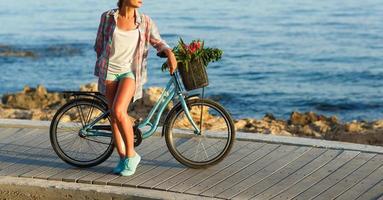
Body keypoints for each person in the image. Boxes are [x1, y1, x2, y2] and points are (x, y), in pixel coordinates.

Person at [93, 0, 177, 176]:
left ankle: (132, 155)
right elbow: (99, 44)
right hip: (109, 72)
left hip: (130, 73)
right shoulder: (107, 17)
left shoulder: (145, 21)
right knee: (114, 117)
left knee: (118, 110)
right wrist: (103, 61)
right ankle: (123, 158)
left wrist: (169, 53)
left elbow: (158, 42)